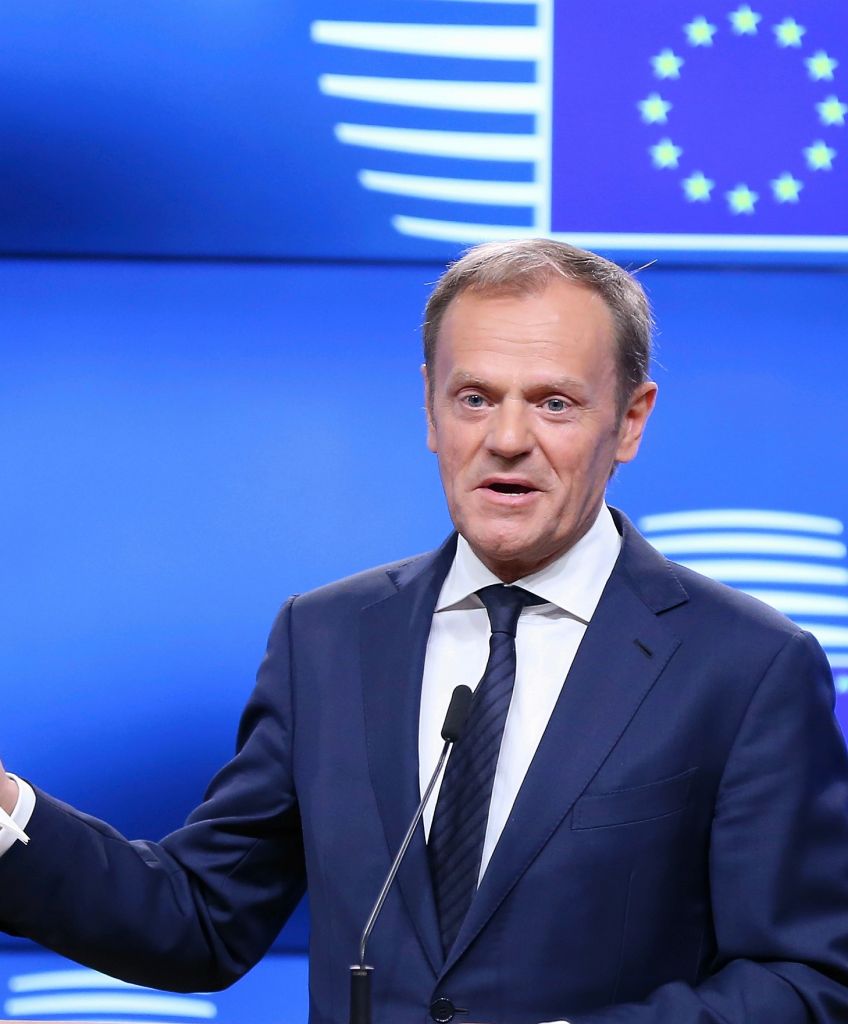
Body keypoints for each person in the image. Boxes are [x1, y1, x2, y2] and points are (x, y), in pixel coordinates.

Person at [1, 239, 847, 1024]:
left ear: (629, 421)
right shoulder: (326, 638)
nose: (507, 440)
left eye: (554, 403)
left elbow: (804, 979)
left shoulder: (745, 667)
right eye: (474, 398)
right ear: (431, 411)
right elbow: (197, 920)